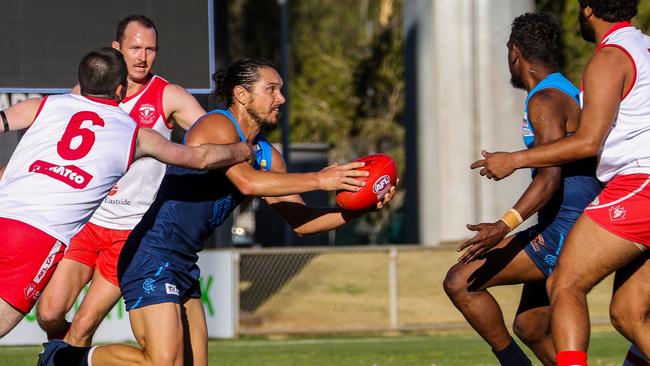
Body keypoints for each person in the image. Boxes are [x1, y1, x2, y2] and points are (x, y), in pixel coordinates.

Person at [37, 58, 396, 366]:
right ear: (242, 95)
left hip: (183, 262)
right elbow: (248, 183)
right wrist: (320, 179)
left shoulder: (269, 156)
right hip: (150, 253)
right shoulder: (216, 125)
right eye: (271, 89)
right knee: (163, 362)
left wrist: (358, 208)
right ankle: (64, 357)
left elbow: (302, 224)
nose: (281, 98)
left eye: (280, 90)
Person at [0, 47, 256, 338]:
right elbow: (199, 158)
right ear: (121, 90)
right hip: (37, 237)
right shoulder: (134, 134)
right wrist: (241, 149)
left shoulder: (43, 105)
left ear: (81, 82)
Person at [470, 1, 650, 365]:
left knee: (565, 284)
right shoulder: (645, 46)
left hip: (637, 186)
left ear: (587, 9)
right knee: (629, 314)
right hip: (636, 189)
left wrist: (514, 160)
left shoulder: (610, 57)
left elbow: (588, 142)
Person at [36, 14, 210, 346]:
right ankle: (63, 354)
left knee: (84, 326)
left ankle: (66, 353)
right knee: (49, 313)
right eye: (135, 48)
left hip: (132, 234)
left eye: (151, 49)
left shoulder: (168, 95)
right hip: (87, 223)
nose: (143, 57)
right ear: (117, 48)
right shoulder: (86, 92)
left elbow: (212, 133)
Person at [443, 13, 601, 366]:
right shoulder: (560, 90)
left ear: (515, 53)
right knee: (530, 326)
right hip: (560, 223)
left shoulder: (545, 100)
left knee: (460, 281)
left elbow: (550, 178)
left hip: (569, 230)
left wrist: (502, 226)